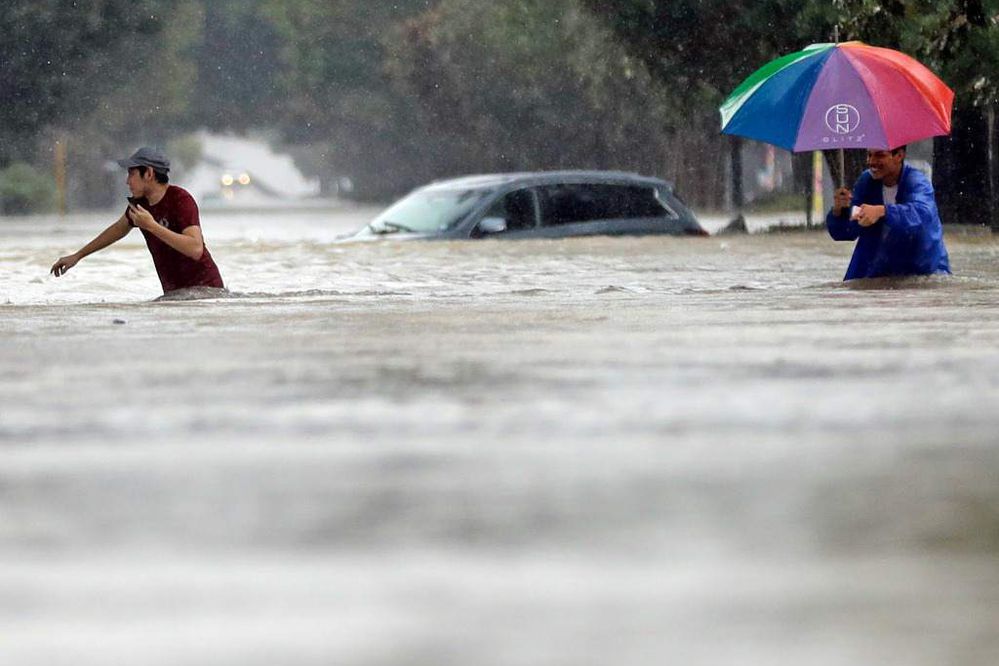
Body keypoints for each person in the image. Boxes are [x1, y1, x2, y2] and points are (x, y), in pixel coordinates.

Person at [50, 147, 224, 294]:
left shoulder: (180, 199)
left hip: (206, 291)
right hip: (175, 295)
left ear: (148, 173)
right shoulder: (139, 205)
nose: (127, 181)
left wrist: (152, 226)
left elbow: (195, 249)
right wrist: (78, 256)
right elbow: (116, 230)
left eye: (131, 174)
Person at [827, 145, 950, 280]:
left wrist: (883, 211)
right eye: (869, 155)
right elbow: (848, 231)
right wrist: (839, 211)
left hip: (923, 270)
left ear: (899, 156)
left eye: (879, 155)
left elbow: (922, 215)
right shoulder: (866, 182)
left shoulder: (917, 181)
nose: (871, 162)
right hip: (877, 271)